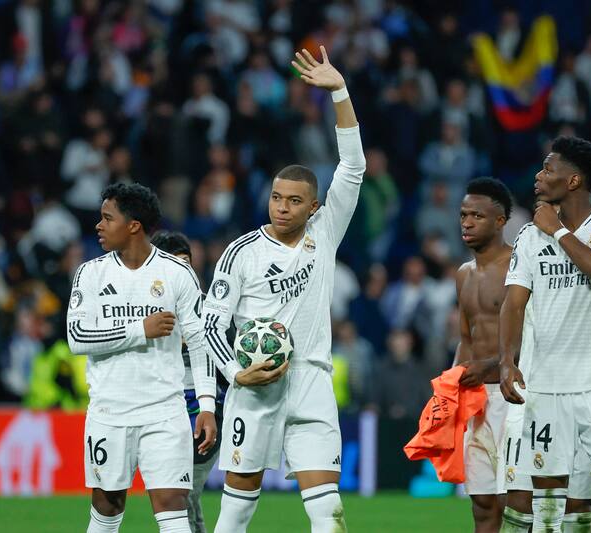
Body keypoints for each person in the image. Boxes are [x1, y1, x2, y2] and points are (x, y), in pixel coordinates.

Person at [203, 46, 365, 533]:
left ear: (313, 207)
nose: (282, 207)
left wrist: (339, 91)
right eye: (276, 197)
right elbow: (211, 322)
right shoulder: (242, 252)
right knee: (235, 512)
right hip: (255, 388)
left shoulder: (325, 232)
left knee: (327, 512)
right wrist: (235, 372)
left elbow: (352, 167)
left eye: (294, 201)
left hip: (312, 381)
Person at [499, 136, 591, 532]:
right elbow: (513, 304)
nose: (538, 176)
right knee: (548, 515)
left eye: (548, 169)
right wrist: (507, 360)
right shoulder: (529, 235)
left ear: (574, 180)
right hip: (545, 390)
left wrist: (559, 232)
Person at [66, 183, 217, 533]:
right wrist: (139, 329)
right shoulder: (91, 273)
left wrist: (207, 405)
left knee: (172, 506)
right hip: (109, 412)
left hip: (164, 412)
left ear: (133, 225)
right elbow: (77, 338)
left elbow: (200, 342)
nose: (98, 226)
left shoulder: (177, 273)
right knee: (107, 506)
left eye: (108, 218)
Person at [451, 177, 516, 532]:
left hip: (514, 396)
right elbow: (466, 337)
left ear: (501, 220)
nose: (467, 222)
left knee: (514, 501)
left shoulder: (518, 267)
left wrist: (490, 367)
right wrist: (451, 388)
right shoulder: (464, 274)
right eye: (464, 215)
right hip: (477, 399)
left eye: (477, 216)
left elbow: (534, 337)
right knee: (482, 502)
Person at [151, 230, 226, 533]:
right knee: (179, 494)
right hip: (159, 407)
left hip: (201, 409)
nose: (183, 271)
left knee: (183, 492)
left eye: (187, 263)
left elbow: (228, 357)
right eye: (175, 263)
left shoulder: (211, 308)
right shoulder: (141, 311)